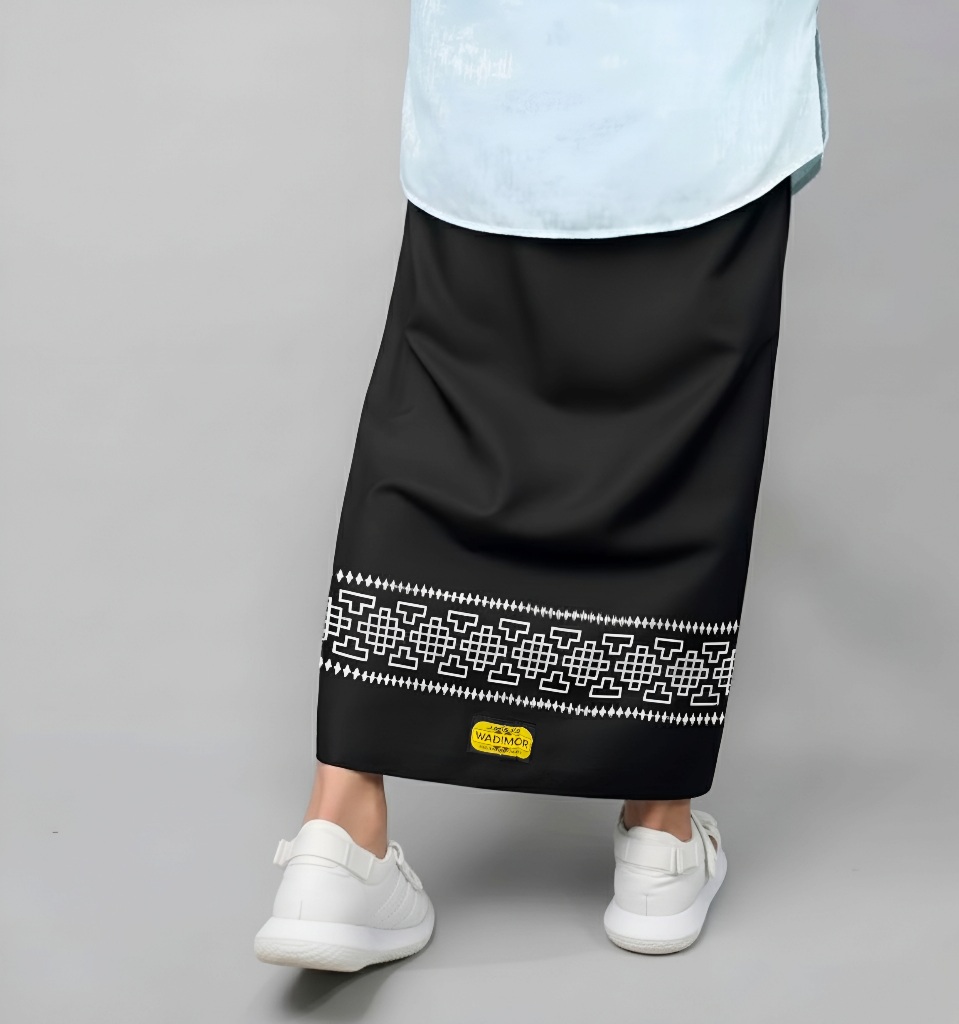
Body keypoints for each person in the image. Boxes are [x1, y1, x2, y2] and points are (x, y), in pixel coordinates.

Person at [255, 0, 829, 971]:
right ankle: (658, 836)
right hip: (699, 101)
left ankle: (339, 837)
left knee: (439, 414)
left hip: (497, 84)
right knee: (683, 439)